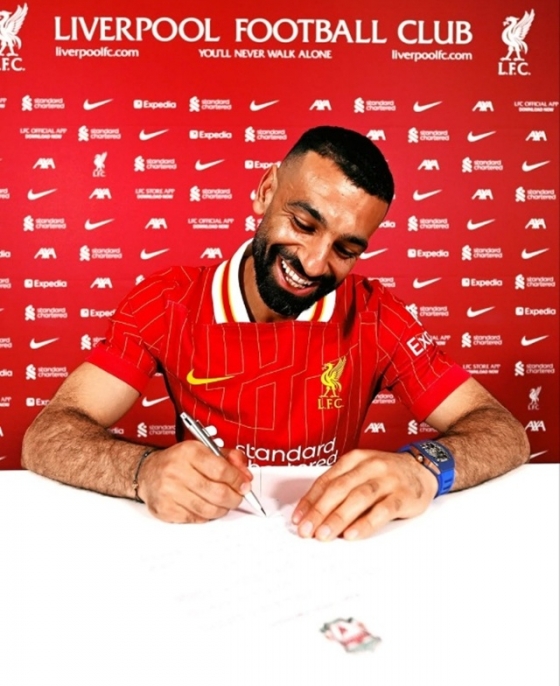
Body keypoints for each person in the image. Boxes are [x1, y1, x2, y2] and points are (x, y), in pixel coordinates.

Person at [22, 126, 529, 541]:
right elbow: (47, 437)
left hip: (324, 543)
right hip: (199, 542)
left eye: (346, 249)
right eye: (304, 224)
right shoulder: (167, 301)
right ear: (267, 191)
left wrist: (423, 470)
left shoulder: (377, 315)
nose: (315, 263)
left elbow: (502, 431)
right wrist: (142, 472)